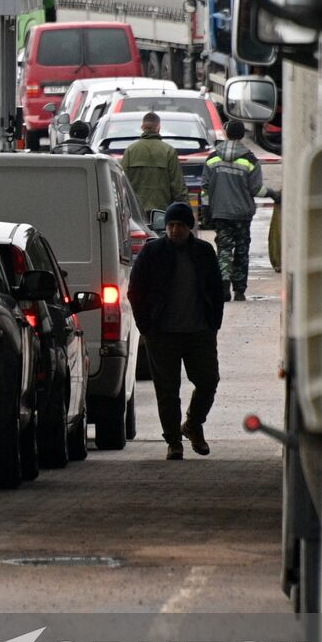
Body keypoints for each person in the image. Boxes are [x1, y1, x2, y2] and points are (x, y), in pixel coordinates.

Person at [127, 202, 224, 460]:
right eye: (170, 225)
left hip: (199, 332)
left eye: (179, 225)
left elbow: (216, 288)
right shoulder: (152, 252)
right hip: (162, 334)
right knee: (167, 390)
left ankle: (193, 425)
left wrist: (214, 323)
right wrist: (145, 326)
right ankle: (173, 440)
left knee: (208, 380)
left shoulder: (204, 252)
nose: (174, 230)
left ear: (188, 227)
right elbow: (135, 290)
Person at [200, 120, 280, 301]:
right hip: (242, 215)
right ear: (243, 135)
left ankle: (224, 283)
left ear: (226, 134)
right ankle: (240, 291)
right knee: (242, 251)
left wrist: (206, 210)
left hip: (220, 212)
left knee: (225, 248)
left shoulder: (213, 158)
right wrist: (274, 194)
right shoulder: (249, 159)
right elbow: (256, 189)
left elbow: (204, 187)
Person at [121, 112, 187, 220]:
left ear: (142, 127)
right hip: (162, 214)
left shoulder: (130, 151)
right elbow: (178, 187)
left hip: (136, 214)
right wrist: (184, 210)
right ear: (159, 128)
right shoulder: (168, 151)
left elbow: (122, 183)